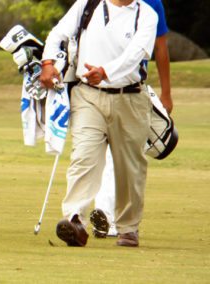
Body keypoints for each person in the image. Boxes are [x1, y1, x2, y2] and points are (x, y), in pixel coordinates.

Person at [40, 0, 158, 247]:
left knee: (130, 166)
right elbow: (58, 33)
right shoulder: (87, 4)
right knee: (84, 155)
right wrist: (48, 63)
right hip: (87, 95)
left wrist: (106, 71)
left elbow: (136, 54)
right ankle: (75, 220)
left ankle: (128, 227)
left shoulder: (146, 14)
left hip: (131, 97)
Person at [90, 0, 172, 238]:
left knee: (120, 156)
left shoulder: (152, 4)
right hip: (95, 86)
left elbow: (160, 48)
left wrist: (166, 94)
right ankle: (104, 216)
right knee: (98, 153)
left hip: (132, 89)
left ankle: (108, 216)